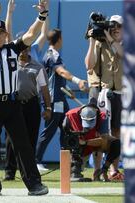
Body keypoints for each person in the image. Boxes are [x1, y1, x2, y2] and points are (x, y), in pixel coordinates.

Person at [0, 0, 49, 196]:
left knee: (23, 144)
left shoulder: (13, 49)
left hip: (12, 103)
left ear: (6, 35)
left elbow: (30, 34)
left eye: (1, 34)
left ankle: (34, 184)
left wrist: (41, 16)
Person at [35, 28, 87, 171]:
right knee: (50, 130)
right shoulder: (53, 55)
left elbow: (57, 79)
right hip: (53, 100)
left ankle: (68, 162)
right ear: (59, 40)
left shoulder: (52, 54)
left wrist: (69, 91)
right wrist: (78, 81)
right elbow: (61, 72)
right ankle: (36, 160)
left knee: (68, 130)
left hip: (60, 99)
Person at [85, 14, 124, 181]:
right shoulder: (100, 42)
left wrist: (109, 36)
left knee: (116, 132)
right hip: (102, 91)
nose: (115, 28)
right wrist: (93, 40)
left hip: (120, 93)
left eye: (119, 26)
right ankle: (96, 172)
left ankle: (113, 171)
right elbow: (89, 65)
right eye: (112, 25)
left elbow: (121, 54)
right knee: (99, 133)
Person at [62, 103, 120, 182]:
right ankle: (75, 168)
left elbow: (104, 140)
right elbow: (67, 140)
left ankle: (103, 170)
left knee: (115, 143)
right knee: (67, 174)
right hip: (79, 148)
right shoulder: (70, 115)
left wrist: (85, 142)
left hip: (93, 144)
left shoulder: (102, 117)